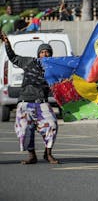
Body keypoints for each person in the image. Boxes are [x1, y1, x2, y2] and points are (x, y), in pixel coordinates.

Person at [0, 31, 59, 164]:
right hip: (25, 101)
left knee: (52, 125)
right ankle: (31, 155)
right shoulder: (28, 62)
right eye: (42, 52)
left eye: (47, 52)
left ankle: (48, 153)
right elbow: (13, 57)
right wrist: (7, 43)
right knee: (24, 129)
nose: (45, 54)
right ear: (38, 54)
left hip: (41, 102)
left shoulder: (53, 68)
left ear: (51, 55)